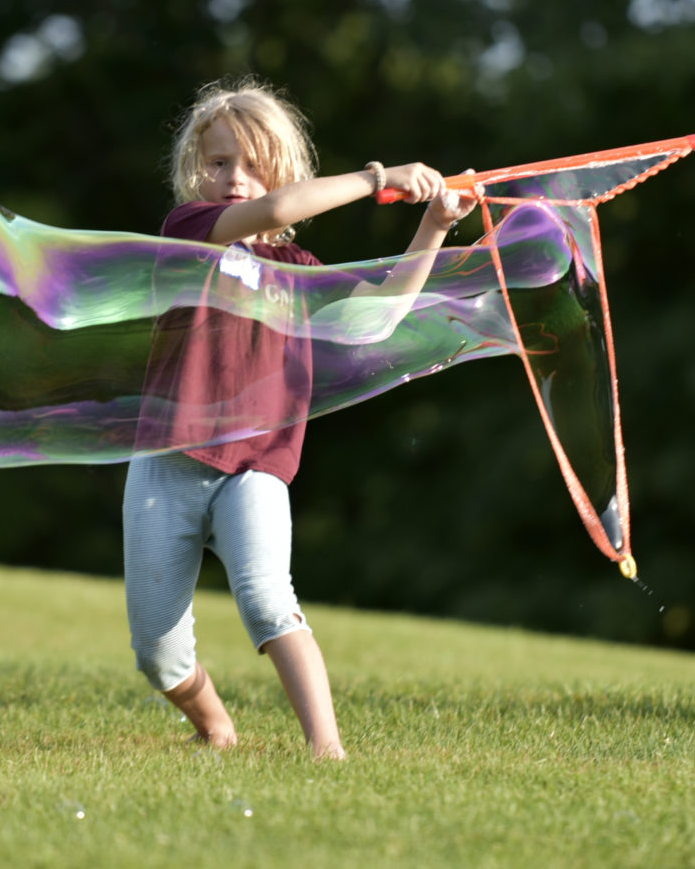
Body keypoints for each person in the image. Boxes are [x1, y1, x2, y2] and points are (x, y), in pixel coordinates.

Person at [123, 78, 475, 759]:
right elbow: (279, 208)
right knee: (157, 653)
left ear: (280, 170)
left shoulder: (299, 270)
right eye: (220, 162)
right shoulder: (189, 233)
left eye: (252, 165)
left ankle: (327, 751)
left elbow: (377, 319)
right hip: (167, 462)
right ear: (198, 169)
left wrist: (432, 225)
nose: (234, 179)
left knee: (265, 598)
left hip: (255, 467)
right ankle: (215, 726)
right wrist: (380, 178)